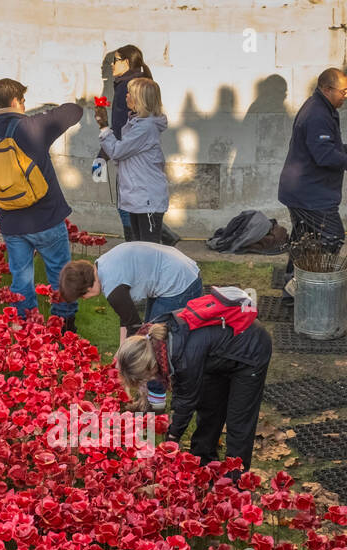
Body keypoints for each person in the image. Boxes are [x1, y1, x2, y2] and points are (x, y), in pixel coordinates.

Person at [0, 79, 83, 332]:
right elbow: (74, 111)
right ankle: (63, 323)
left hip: (13, 223)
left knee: (21, 278)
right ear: (17, 102)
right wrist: (46, 113)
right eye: (23, 101)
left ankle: (27, 327)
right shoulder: (33, 126)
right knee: (59, 275)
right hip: (47, 216)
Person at [113, 305, 273, 476]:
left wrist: (172, 437)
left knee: (239, 421)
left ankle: (236, 481)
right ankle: (202, 461)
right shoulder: (152, 338)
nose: (149, 381)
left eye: (145, 378)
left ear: (149, 366)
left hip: (250, 349)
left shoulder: (182, 358)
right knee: (210, 406)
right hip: (217, 352)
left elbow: (186, 400)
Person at [277, 67, 347, 299]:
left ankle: (292, 287)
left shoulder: (322, 108)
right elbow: (324, 156)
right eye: (344, 91)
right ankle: (300, 286)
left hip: (302, 190)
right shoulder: (318, 114)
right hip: (310, 194)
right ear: (327, 89)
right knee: (332, 236)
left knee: (304, 239)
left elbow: (327, 145)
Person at [58, 243, 201, 342]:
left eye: (82, 296)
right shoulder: (102, 264)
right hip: (175, 267)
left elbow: (134, 328)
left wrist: (125, 360)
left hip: (179, 282)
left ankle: (154, 386)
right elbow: (126, 316)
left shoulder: (113, 289)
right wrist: (121, 351)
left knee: (156, 341)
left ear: (87, 289)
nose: (84, 299)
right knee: (150, 331)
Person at [97, 77, 169, 244]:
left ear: (140, 99)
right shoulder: (136, 124)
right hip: (138, 197)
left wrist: (104, 127)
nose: (126, 96)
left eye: (130, 94)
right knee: (139, 245)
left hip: (146, 198)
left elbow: (117, 151)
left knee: (148, 247)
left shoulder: (146, 127)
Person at [99, 44, 153, 242]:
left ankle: (134, 243)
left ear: (127, 62)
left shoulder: (126, 86)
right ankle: (150, 238)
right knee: (137, 202)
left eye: (115, 60)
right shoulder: (141, 82)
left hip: (128, 153)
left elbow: (120, 126)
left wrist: (103, 153)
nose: (111, 65)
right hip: (141, 153)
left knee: (126, 203)